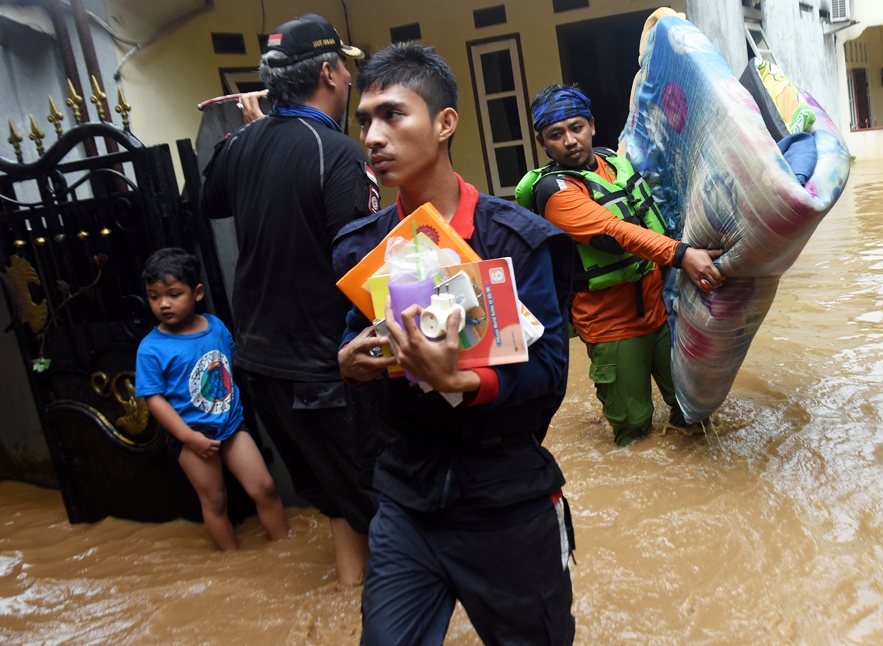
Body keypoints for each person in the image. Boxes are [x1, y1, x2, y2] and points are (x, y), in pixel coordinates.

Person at [334, 43, 577, 646]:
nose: (373, 136)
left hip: (507, 499)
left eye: (393, 115)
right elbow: (353, 341)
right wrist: (350, 364)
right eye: (364, 120)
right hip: (406, 497)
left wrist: (462, 382)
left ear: (445, 124)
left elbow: (550, 370)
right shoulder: (363, 248)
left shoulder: (517, 242)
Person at [201, 13, 381, 586]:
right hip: (324, 367)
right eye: (346, 68)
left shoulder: (243, 144)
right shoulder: (339, 152)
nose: (350, 78)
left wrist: (247, 131)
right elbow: (360, 266)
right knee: (381, 503)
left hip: (262, 366)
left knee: (334, 496)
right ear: (328, 73)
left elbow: (206, 200)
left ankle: (348, 596)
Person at [517, 84, 726, 446]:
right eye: (556, 134)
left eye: (576, 127)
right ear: (542, 142)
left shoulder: (615, 162)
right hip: (611, 325)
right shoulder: (554, 192)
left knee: (695, 409)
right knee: (634, 431)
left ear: (592, 125)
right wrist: (683, 255)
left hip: (658, 312)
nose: (570, 140)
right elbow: (616, 232)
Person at [135, 248, 289, 551]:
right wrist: (189, 438)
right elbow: (154, 400)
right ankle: (233, 562)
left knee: (265, 487)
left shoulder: (214, 326)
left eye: (173, 294)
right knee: (215, 501)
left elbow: (231, 363)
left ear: (197, 293)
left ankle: (286, 548)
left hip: (230, 426)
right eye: (154, 296)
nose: (163, 303)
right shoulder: (151, 348)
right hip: (191, 434)